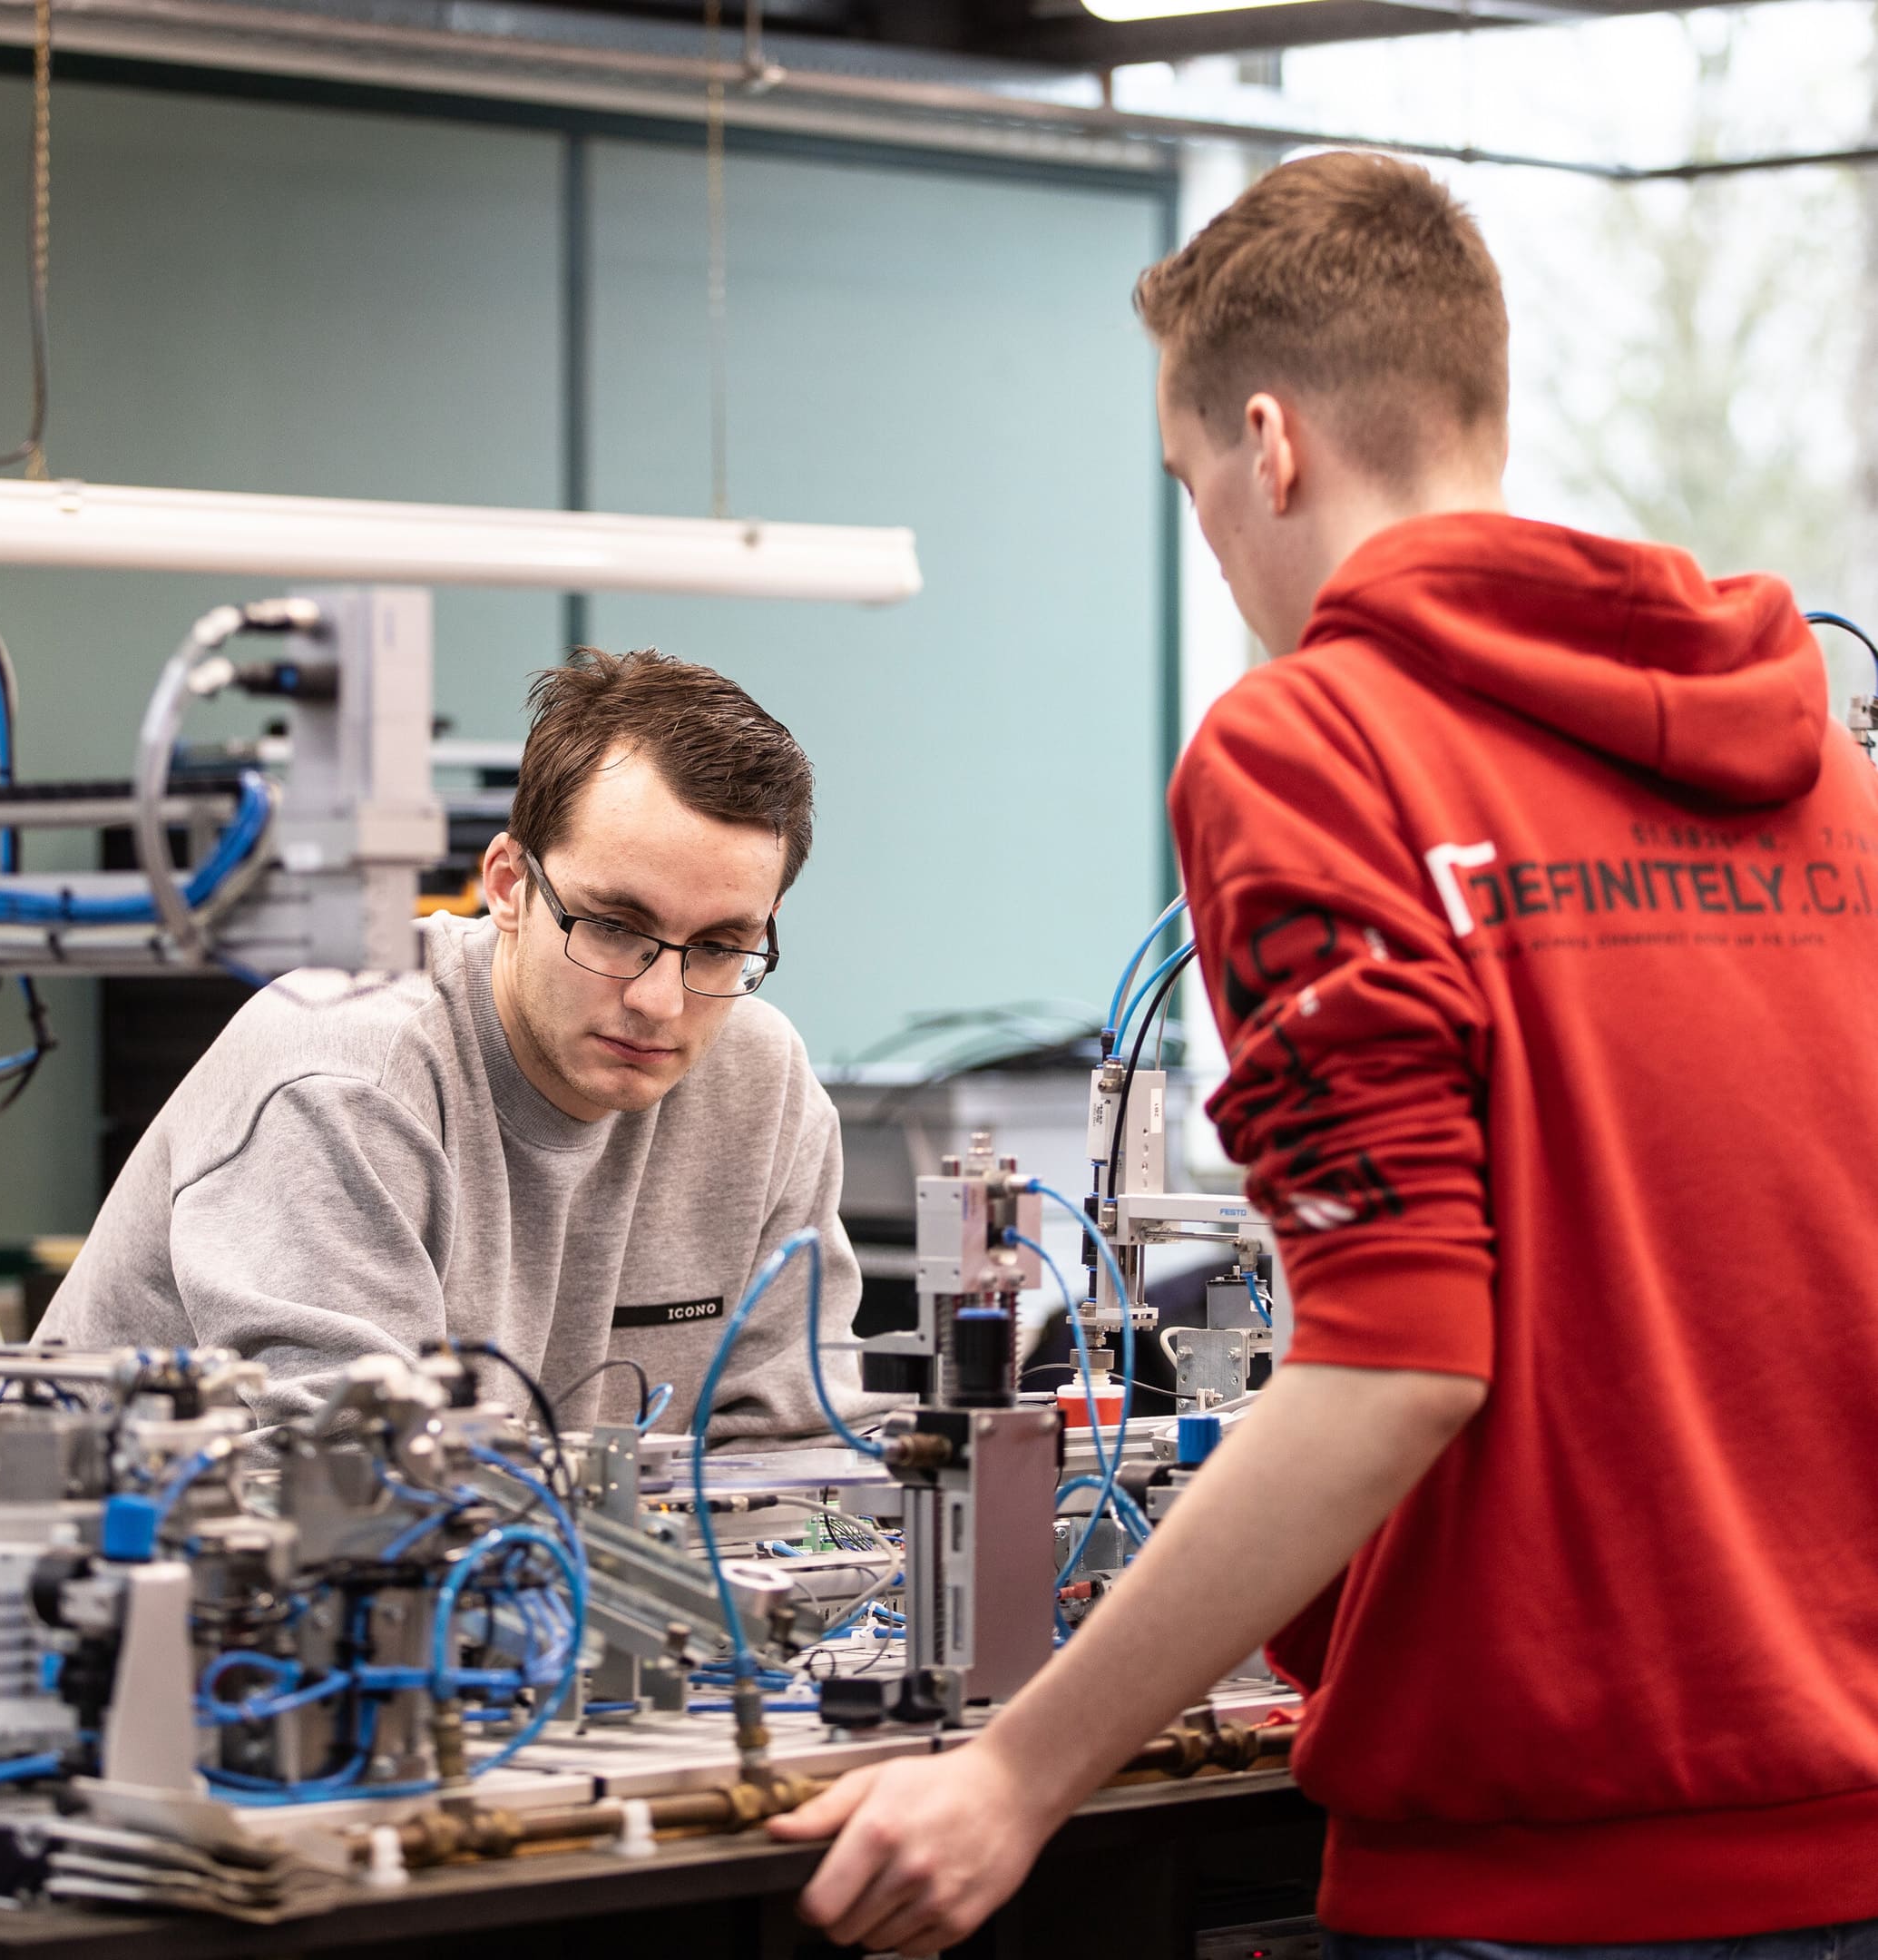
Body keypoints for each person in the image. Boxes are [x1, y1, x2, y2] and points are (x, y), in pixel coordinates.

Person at [773, 150, 1878, 1956]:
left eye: (1194, 487)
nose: (1215, 544)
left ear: (1269, 444)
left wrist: (1013, 1776)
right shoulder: (1819, 773)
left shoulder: (1309, 749)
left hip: (1542, 1890)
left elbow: (1397, 1362)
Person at [38, 648, 876, 1444]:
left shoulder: (762, 1087)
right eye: (617, 928)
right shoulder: (346, 1076)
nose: (661, 1000)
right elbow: (355, 1499)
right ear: (509, 887)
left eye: (722, 947)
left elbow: (791, 1461)